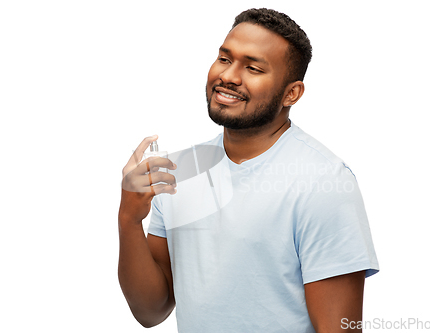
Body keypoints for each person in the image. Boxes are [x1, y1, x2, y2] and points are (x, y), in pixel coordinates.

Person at [118, 8, 379, 333]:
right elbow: (151, 311)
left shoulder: (323, 181)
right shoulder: (180, 172)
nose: (229, 76)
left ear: (291, 93)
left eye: (253, 67)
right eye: (225, 59)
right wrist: (129, 219)